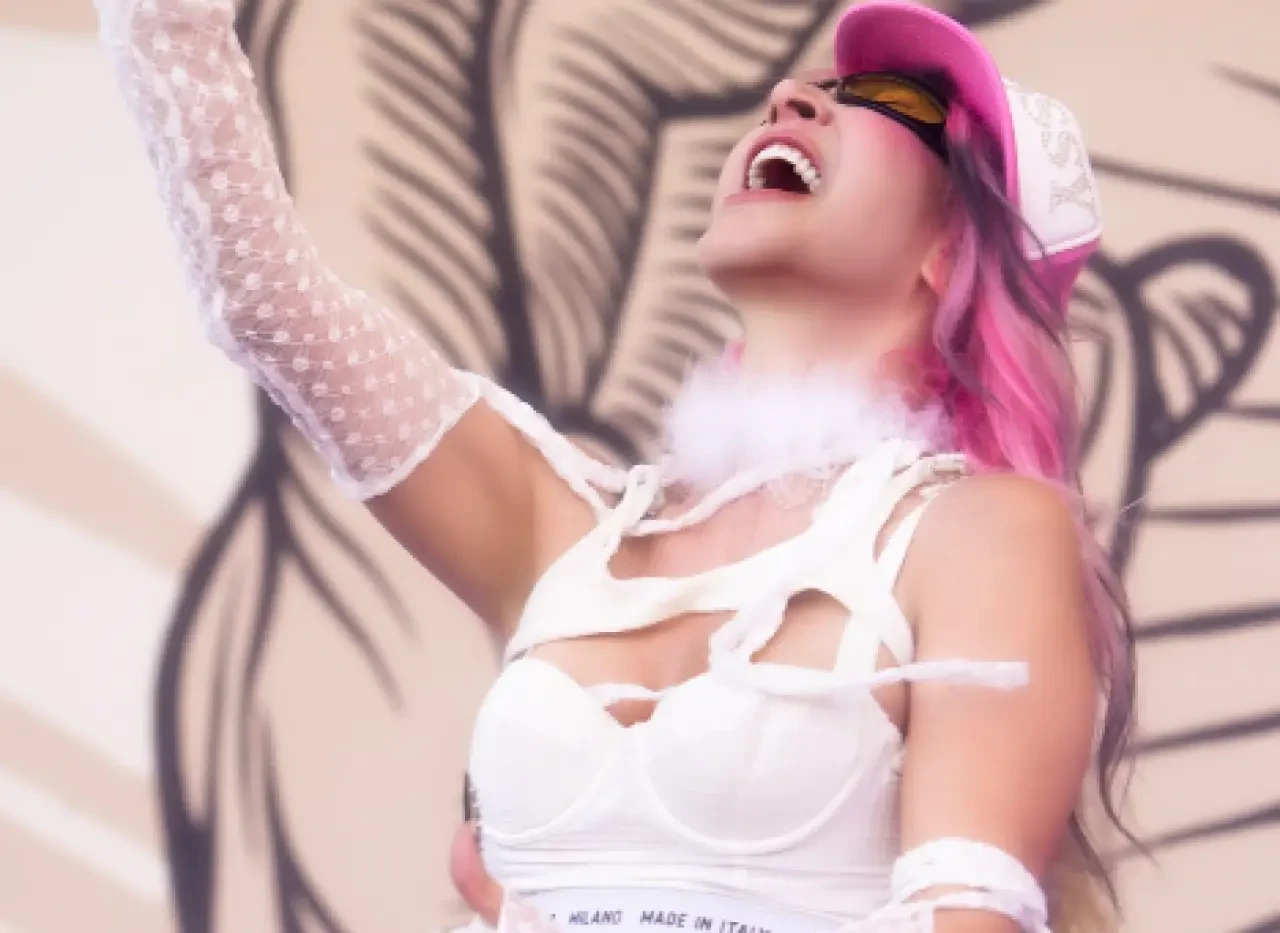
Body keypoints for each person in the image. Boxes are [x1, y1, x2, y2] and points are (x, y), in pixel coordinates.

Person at [97, 0, 1134, 930]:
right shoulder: (570, 523)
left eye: (889, 102)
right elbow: (264, 302)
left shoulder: (979, 531)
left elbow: (966, 920)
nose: (791, 97)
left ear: (950, 251)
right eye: (800, 87)